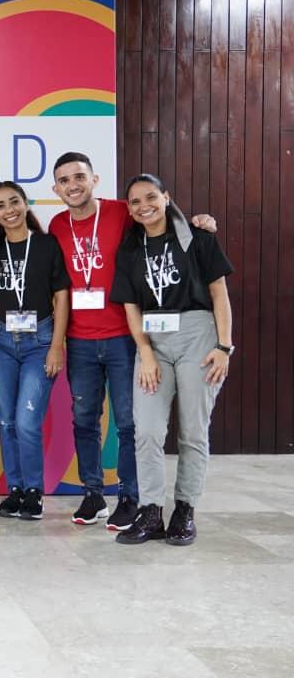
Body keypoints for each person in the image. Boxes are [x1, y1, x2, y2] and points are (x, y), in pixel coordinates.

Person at [49, 152, 216, 531]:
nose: (72, 185)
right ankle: (93, 493)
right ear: (55, 189)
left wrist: (199, 221)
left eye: (79, 177)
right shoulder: (57, 226)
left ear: (94, 179)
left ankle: (130, 496)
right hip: (79, 340)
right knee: (84, 420)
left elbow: (160, 214)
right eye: (64, 180)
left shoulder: (122, 211)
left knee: (130, 423)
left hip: (127, 337)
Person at [110, 174, 233, 546]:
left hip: (198, 333)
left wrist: (224, 346)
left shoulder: (199, 238)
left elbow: (219, 294)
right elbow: (131, 307)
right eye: (134, 201)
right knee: (146, 430)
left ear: (166, 197)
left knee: (193, 431)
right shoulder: (130, 249)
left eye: (151, 197)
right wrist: (145, 353)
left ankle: (184, 509)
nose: (143, 205)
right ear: (129, 209)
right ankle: (151, 512)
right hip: (153, 340)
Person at [0, 181, 71, 521]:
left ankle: (34, 490)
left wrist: (56, 346)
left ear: (26, 203)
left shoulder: (47, 245)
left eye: (14, 202)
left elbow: (62, 297)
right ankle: (16, 489)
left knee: (26, 421)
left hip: (40, 341)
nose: (9, 210)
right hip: (1, 342)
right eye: (0, 206)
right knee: (5, 421)